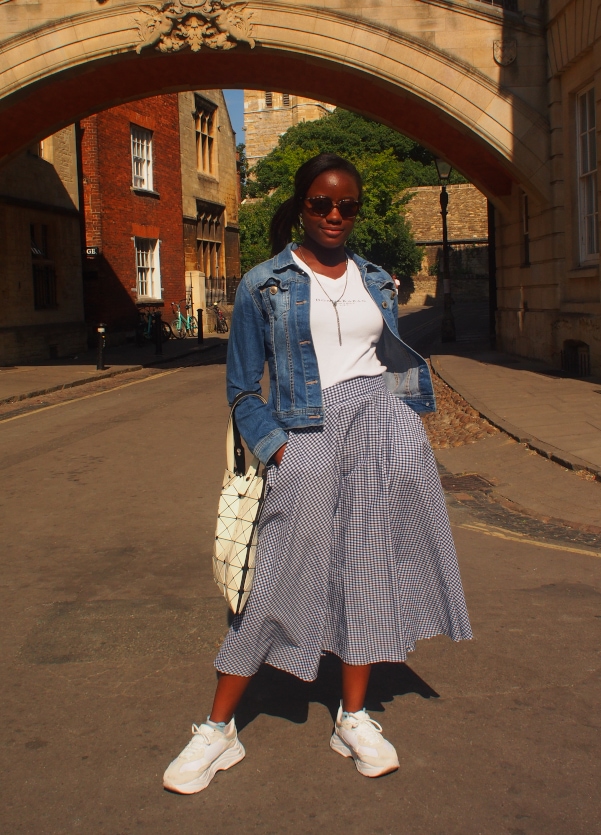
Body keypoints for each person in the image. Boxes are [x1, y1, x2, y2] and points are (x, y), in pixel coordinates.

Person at [163, 153, 472, 794]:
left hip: (382, 433)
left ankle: (352, 716)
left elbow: (389, 360)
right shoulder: (262, 284)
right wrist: (279, 449)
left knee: (366, 571)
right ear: (301, 206)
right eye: (322, 204)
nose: (335, 215)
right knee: (281, 573)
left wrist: (407, 427)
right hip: (304, 433)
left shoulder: (378, 279)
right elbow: (243, 389)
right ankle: (218, 730)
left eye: (348, 206)